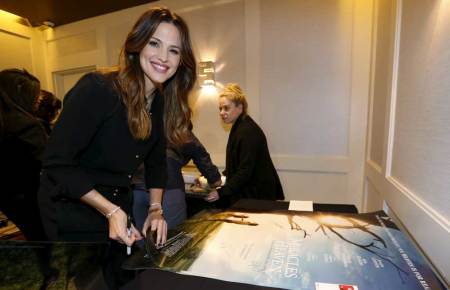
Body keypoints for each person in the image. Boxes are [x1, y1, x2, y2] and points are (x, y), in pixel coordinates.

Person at [37, 7, 196, 289]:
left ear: (181, 61)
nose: (163, 57)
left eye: (174, 50)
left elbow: (157, 163)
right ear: (137, 45)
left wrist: (156, 209)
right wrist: (110, 211)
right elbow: (57, 162)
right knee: (85, 281)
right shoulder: (98, 88)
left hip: (116, 204)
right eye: (155, 43)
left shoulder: (159, 102)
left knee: (122, 277)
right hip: (73, 206)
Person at [205, 83, 285, 207]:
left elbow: (245, 171)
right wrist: (219, 178)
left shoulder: (247, 131)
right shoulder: (241, 127)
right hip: (253, 194)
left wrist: (221, 192)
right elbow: (238, 165)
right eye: (220, 108)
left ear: (240, 107)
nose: (222, 112)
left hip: (257, 197)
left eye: (226, 108)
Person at [133, 127, 221, 232]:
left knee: (140, 238)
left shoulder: (143, 125)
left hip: (136, 188)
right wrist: (215, 180)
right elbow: (200, 155)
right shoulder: (179, 129)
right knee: (172, 239)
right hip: (168, 189)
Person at [0, 68, 47, 241]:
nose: (37, 101)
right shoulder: (27, 125)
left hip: (7, 197)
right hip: (31, 197)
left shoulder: (5, 123)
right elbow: (45, 163)